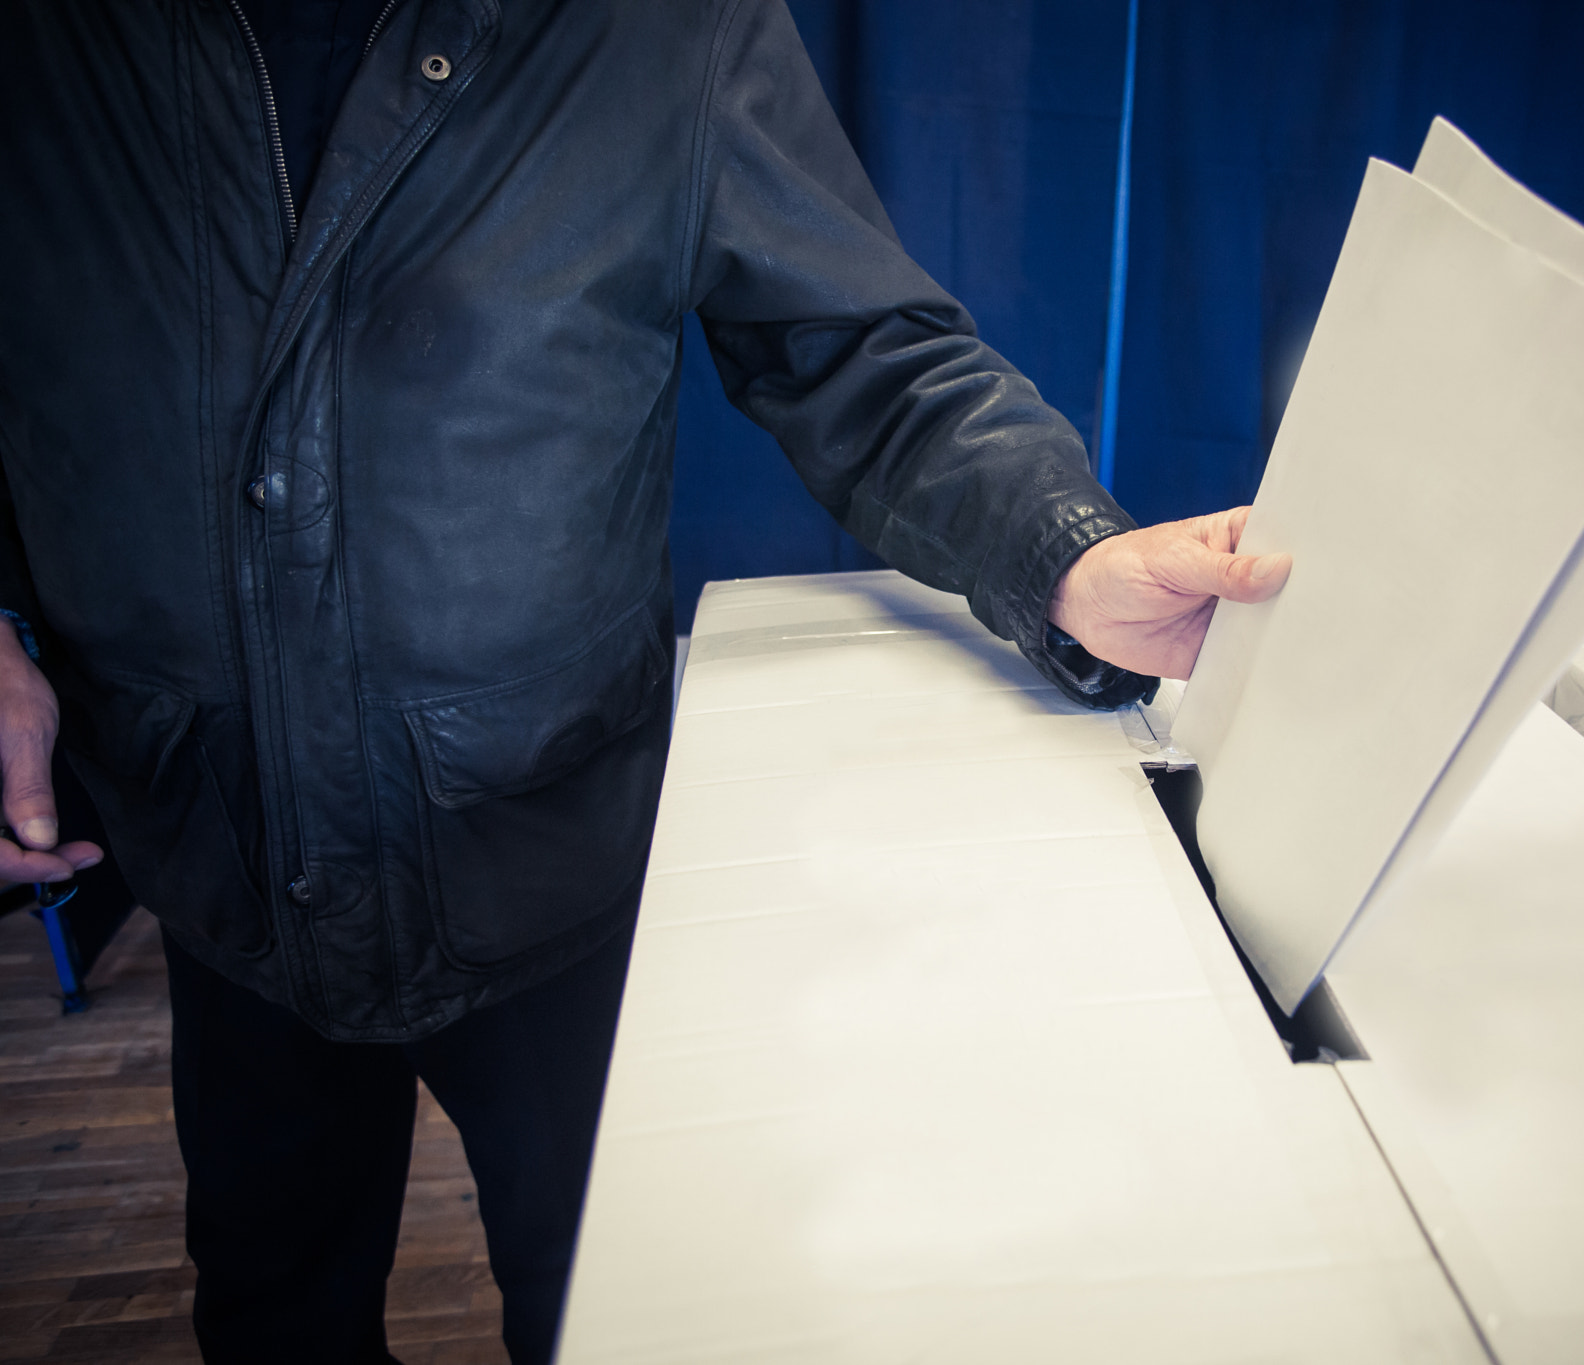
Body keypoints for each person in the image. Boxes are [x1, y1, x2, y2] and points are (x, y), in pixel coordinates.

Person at [0, 1, 1289, 1360]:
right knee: (271, 1315)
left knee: (603, 1316)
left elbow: (864, 353)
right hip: (217, 866)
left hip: (551, 864)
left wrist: (1063, 555)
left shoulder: (666, 25)